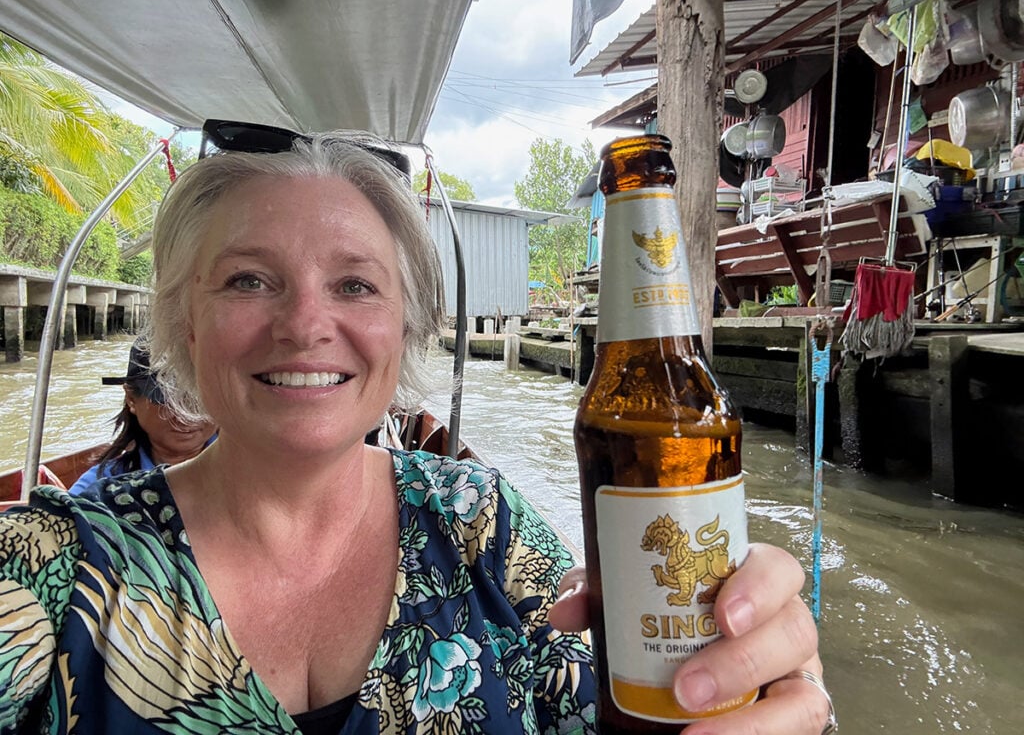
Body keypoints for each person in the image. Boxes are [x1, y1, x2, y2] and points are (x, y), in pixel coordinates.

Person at [0, 126, 832, 735]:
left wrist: (753, 678)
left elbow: (628, 701)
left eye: (356, 285)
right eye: (250, 280)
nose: (305, 325)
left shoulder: (480, 523)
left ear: (407, 329)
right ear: (184, 327)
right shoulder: (50, 567)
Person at [70, 337, 218, 495]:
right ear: (131, 399)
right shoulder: (98, 491)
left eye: (199, 399)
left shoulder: (245, 468)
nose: (186, 414)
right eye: (168, 400)